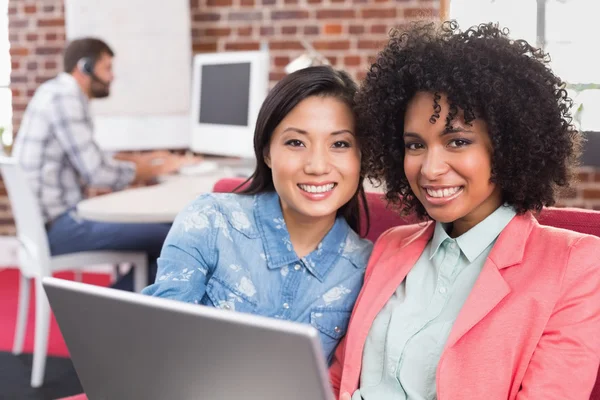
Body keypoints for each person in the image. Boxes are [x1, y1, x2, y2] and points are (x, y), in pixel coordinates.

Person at [330, 21, 600, 400]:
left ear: (507, 146)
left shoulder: (575, 265)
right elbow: (338, 379)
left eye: (457, 141)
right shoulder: (391, 247)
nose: (430, 168)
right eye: (415, 145)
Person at [142, 65, 374, 363]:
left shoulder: (367, 268)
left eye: (339, 144)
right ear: (267, 152)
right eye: (296, 142)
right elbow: (157, 346)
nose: (317, 165)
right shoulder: (209, 221)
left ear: (361, 156)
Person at [12, 38, 191, 291]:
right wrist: (158, 168)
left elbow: (91, 156)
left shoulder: (54, 92)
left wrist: (140, 160)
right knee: (175, 237)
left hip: (51, 223)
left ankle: (119, 307)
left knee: (164, 232)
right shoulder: (65, 99)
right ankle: (105, 312)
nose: (112, 77)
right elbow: (97, 173)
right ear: (84, 67)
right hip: (59, 228)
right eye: (107, 68)